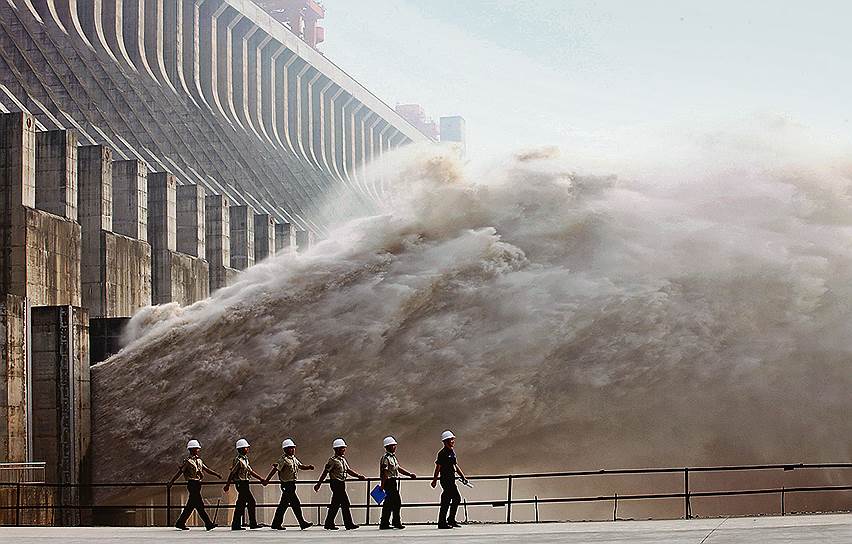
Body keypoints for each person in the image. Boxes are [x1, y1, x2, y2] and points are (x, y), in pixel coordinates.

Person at [168, 439, 222, 531]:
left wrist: (216, 474)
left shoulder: (199, 461)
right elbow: (180, 472)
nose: (198, 450)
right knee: (200, 505)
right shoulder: (188, 462)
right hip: (192, 484)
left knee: (191, 506)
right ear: (191, 449)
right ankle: (208, 523)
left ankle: (180, 522)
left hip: (197, 484)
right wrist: (172, 482)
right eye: (196, 448)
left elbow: (206, 469)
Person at [313, 438, 366, 530]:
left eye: (344, 448)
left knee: (336, 504)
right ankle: (348, 524)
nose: (344, 450)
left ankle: (329, 523)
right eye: (342, 448)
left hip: (341, 483)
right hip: (336, 484)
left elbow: (348, 470)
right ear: (336, 449)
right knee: (345, 503)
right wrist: (319, 484)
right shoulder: (332, 461)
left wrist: (358, 476)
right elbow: (325, 472)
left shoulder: (343, 460)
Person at [263, 438, 315, 530]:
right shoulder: (283, 460)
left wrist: (309, 467)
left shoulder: (294, 459)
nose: (292, 449)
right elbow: (275, 469)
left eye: (293, 448)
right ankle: (302, 522)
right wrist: (267, 480)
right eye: (290, 448)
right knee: (296, 503)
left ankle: (276, 523)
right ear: (285, 449)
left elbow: (300, 466)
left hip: (292, 485)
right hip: (286, 485)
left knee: (283, 505)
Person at [223, 438, 268, 530]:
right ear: (241, 449)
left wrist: (261, 479)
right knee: (251, 502)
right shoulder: (238, 460)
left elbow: (250, 471)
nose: (247, 449)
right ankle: (252, 523)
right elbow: (232, 473)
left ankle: (236, 524)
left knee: (241, 504)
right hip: (241, 483)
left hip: (245, 483)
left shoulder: (245, 459)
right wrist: (227, 485)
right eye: (246, 448)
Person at [431, 430, 467, 529]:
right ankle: (443, 522)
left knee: (454, 499)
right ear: (446, 441)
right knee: (449, 500)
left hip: (451, 479)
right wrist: (434, 480)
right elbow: (438, 467)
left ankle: (450, 520)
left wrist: (463, 477)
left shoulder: (452, 452)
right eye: (451, 439)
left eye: (453, 439)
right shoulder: (442, 453)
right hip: (445, 480)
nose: (453, 441)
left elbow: (455, 465)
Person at [378, 436, 417, 530]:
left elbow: (398, 468)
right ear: (388, 446)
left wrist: (409, 474)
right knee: (396, 502)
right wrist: (382, 486)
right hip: (389, 482)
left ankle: (385, 522)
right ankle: (394, 522)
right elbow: (384, 473)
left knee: (389, 503)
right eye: (393, 445)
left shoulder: (393, 458)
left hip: (393, 482)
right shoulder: (385, 458)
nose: (395, 447)